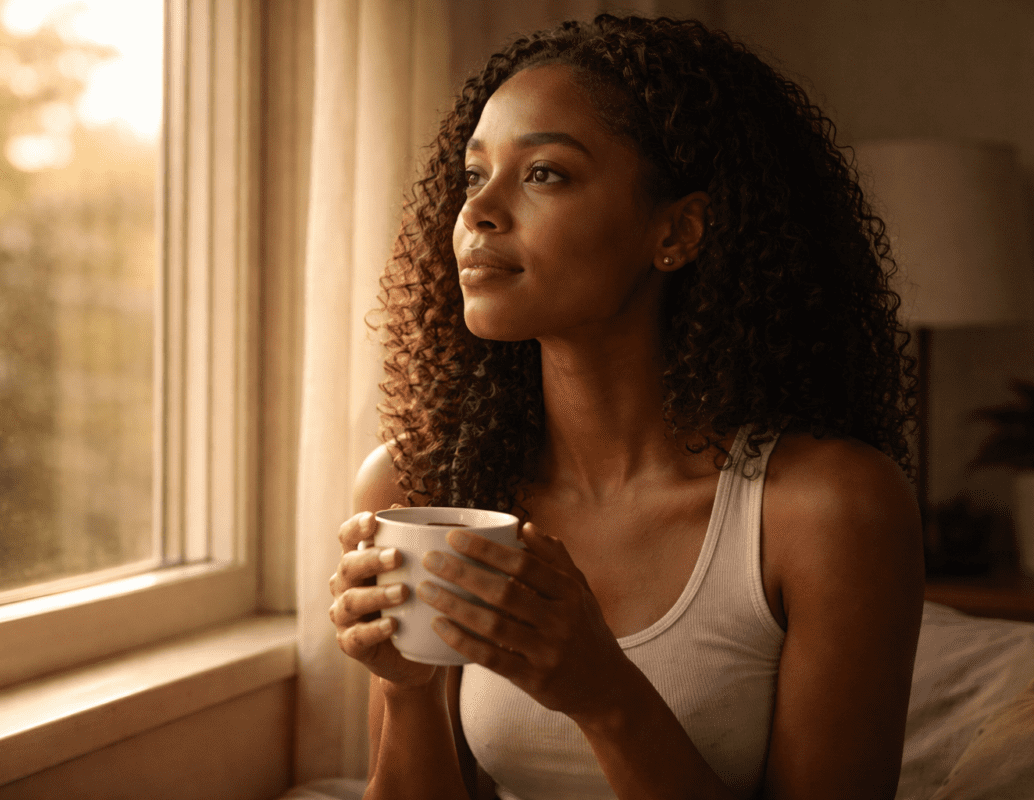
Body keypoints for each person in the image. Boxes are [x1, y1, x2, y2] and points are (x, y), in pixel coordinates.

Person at [327, 13, 924, 800]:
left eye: (544, 173)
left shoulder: (829, 509)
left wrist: (603, 692)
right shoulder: (421, 486)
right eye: (474, 175)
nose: (478, 212)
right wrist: (406, 689)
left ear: (677, 231)